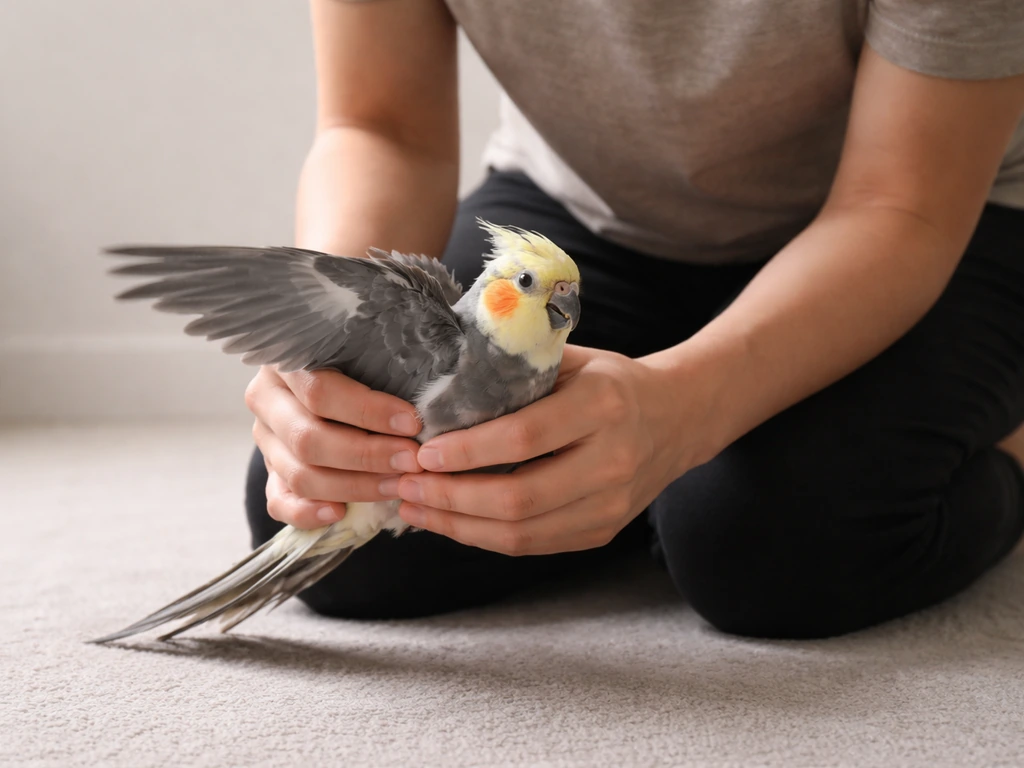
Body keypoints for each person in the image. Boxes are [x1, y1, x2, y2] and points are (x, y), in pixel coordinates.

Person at [243, 0, 1024, 639]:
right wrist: (336, 340)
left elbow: (896, 205)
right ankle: (639, 492)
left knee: (761, 549)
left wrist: (684, 409)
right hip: (583, 214)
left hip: (936, 213)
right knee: (349, 529)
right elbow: (382, 128)